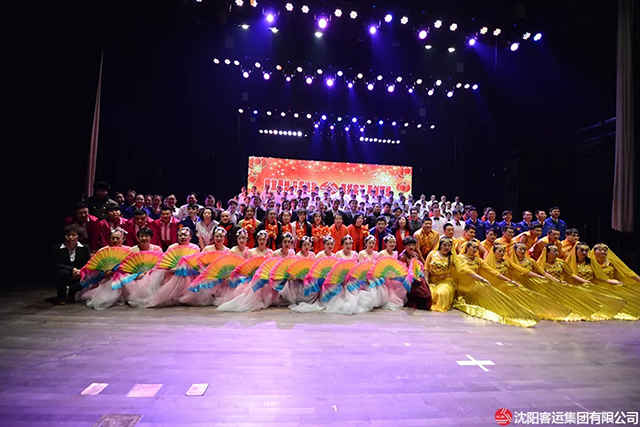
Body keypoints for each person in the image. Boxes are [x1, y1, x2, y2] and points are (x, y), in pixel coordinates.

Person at [454, 240, 540, 327]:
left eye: (476, 248)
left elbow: (492, 272)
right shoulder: (459, 258)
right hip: (465, 285)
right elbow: (467, 271)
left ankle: (520, 311)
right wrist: (482, 279)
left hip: (477, 283)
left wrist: (509, 280)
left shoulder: (478, 260)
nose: (475, 250)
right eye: (473, 247)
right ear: (467, 247)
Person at [507, 242, 603, 321]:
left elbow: (543, 273)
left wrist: (557, 281)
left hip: (537, 285)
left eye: (524, 249)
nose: (523, 251)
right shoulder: (509, 263)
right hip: (518, 285)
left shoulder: (531, 261)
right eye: (520, 249)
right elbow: (526, 273)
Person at [483, 243, 572, 321]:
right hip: (499, 286)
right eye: (499, 251)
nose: (502, 253)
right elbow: (495, 274)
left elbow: (524, 271)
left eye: (503, 251)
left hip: (517, 283)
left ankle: (551, 310)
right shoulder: (489, 263)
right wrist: (510, 281)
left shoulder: (509, 262)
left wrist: (556, 281)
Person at [537, 244, 626, 320]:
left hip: (585, 287)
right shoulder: (544, 263)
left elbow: (572, 274)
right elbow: (543, 274)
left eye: (586, 251)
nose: (584, 253)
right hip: (553, 288)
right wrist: (559, 282)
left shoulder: (564, 262)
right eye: (554, 251)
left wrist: (612, 281)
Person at [49, 225, 92, 305]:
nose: (70, 237)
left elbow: (88, 263)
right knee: (63, 273)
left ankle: (72, 293)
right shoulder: (57, 248)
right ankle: (61, 295)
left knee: (74, 295)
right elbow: (56, 264)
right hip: (65, 273)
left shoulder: (84, 247)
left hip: (79, 274)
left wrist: (80, 271)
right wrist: (72, 269)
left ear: (78, 236)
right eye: (68, 235)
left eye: (73, 235)